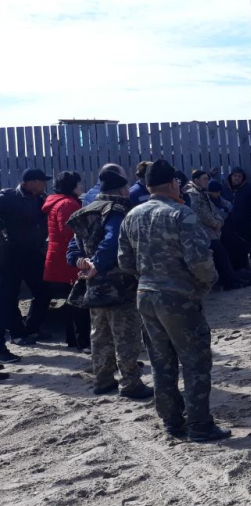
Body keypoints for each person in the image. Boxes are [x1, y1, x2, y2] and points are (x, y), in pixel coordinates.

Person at [118, 159, 230, 442]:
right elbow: (200, 262)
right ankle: (200, 425)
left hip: (146, 295)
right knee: (195, 362)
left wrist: (149, 278)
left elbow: (125, 262)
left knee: (161, 362)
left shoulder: (132, 215)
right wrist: (204, 285)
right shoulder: (182, 214)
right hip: (179, 298)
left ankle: (171, 421)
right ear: (172, 183)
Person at [67, 167, 154, 399]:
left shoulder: (85, 211)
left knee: (100, 334)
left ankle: (103, 380)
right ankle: (131, 383)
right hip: (120, 283)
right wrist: (97, 263)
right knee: (126, 335)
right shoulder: (117, 210)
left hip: (92, 283)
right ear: (123, 189)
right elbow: (113, 240)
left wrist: (81, 261)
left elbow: (72, 246)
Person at [0, 168, 53, 350]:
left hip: (33, 253)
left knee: (44, 290)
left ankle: (32, 328)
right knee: (9, 295)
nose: (45, 184)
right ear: (31, 183)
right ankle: (17, 333)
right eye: (42, 181)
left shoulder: (41, 198)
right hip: (12, 254)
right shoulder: (7, 197)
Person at [42, 171, 91, 352]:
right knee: (78, 301)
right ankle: (82, 341)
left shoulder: (57, 201)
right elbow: (70, 232)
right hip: (67, 260)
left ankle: (73, 339)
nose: (81, 187)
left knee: (70, 301)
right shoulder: (68, 204)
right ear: (72, 186)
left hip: (59, 257)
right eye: (79, 183)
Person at [187, 171, 248, 291]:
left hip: (212, 231)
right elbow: (201, 214)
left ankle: (230, 280)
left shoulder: (203, 193)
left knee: (221, 256)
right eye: (204, 179)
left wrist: (219, 221)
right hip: (203, 232)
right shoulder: (193, 194)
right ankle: (229, 282)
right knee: (221, 255)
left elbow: (214, 210)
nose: (206, 181)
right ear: (196, 180)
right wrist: (215, 223)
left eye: (207, 178)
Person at [222, 167, 251, 273]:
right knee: (228, 247)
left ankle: (243, 270)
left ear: (243, 178)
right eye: (235, 176)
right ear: (231, 177)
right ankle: (231, 271)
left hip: (244, 224)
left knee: (243, 247)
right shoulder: (224, 189)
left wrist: (244, 214)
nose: (237, 178)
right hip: (227, 225)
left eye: (239, 176)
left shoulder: (250, 190)